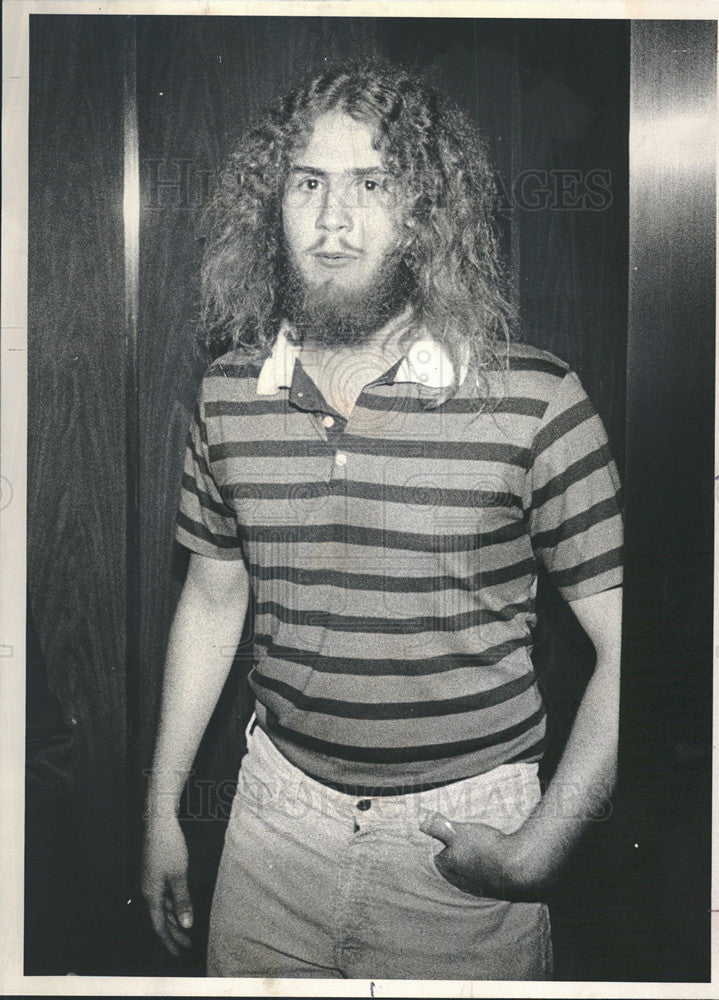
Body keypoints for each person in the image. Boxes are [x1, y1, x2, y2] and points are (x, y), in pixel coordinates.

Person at [141, 61, 623, 981]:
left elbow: (642, 645)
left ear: (427, 212)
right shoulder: (229, 393)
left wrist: (536, 851)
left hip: (458, 847)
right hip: (271, 828)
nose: (333, 221)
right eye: (308, 182)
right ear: (270, 202)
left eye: (373, 185)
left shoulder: (535, 398)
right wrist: (161, 810)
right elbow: (209, 600)